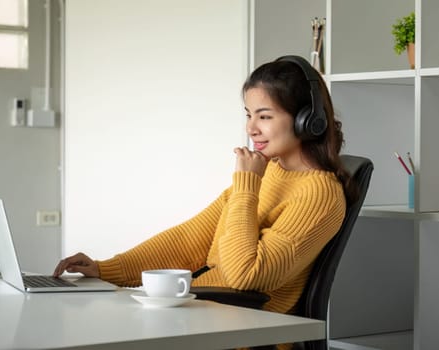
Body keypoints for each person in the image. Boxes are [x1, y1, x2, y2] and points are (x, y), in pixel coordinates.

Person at [53, 55, 358, 319]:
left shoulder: (320, 195)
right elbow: (189, 241)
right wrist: (105, 270)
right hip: (199, 312)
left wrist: (247, 185)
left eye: (264, 116)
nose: (251, 128)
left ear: (308, 120)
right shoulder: (270, 173)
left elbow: (245, 275)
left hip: (240, 329)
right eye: (249, 115)